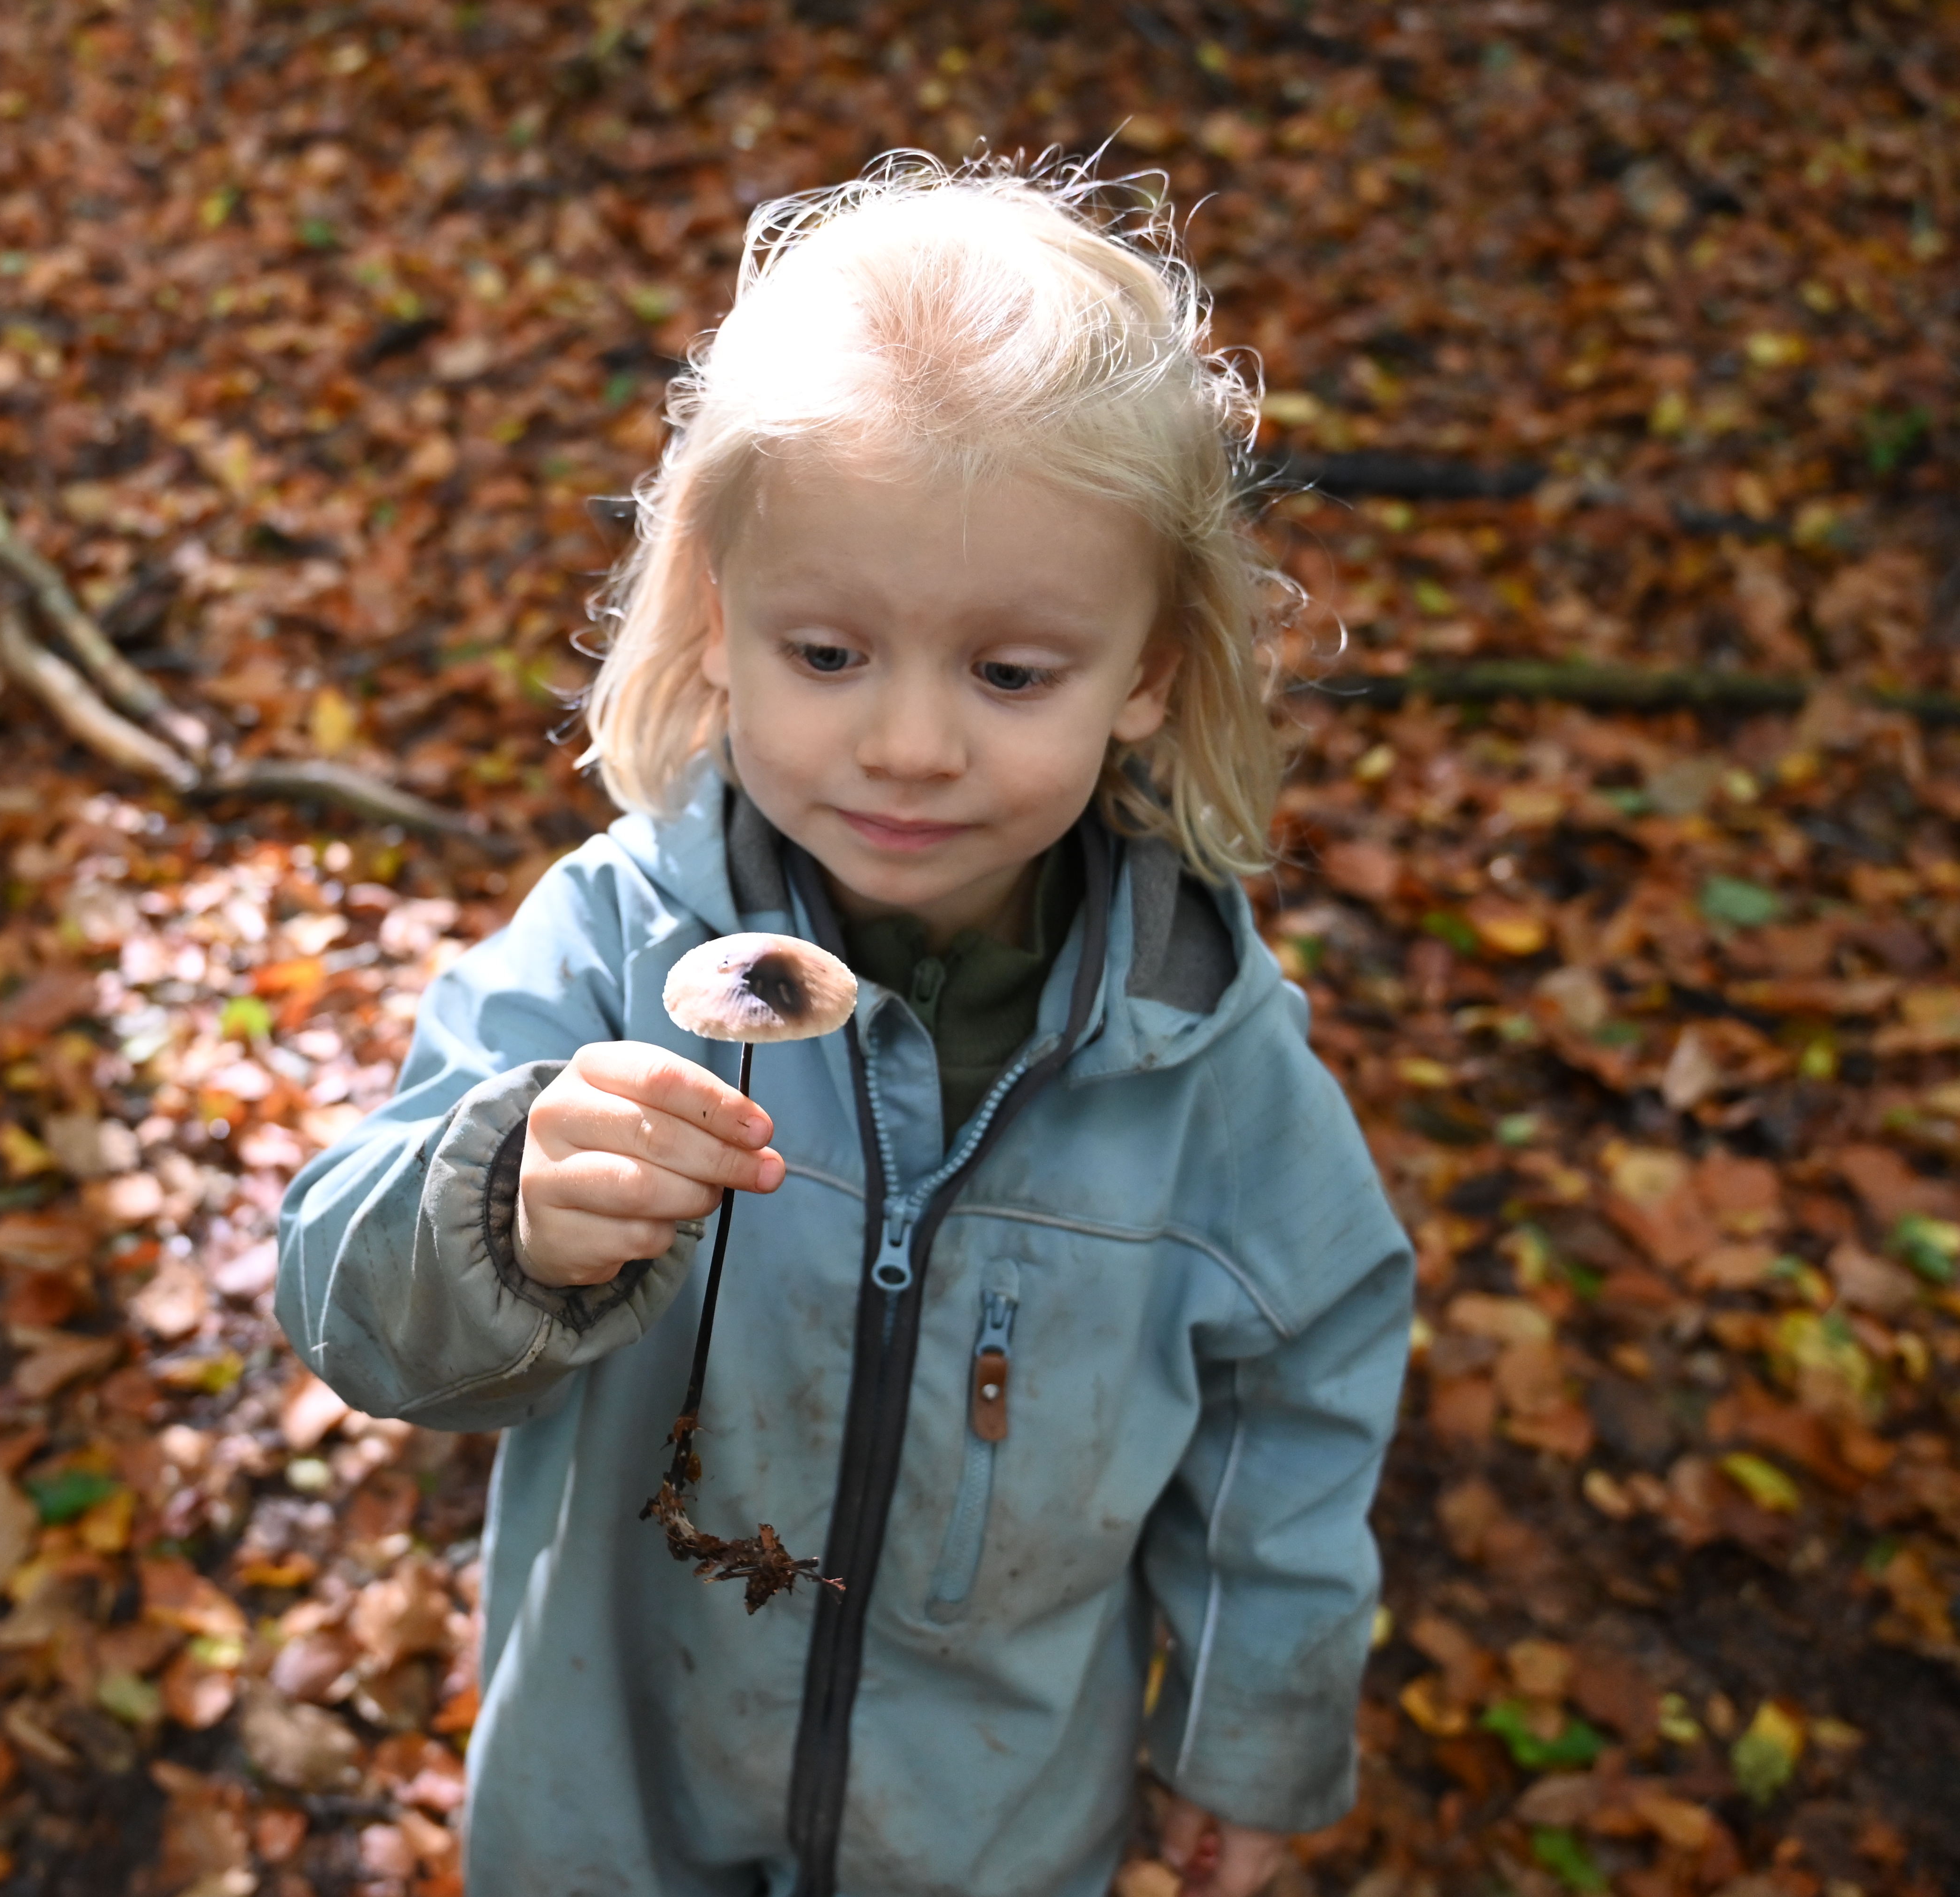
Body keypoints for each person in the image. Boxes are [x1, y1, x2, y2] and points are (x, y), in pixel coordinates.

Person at [275, 154, 1412, 1897]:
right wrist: (502, 1205)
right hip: (617, 1797)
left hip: (988, 1832)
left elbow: (1298, 1412)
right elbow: (349, 1306)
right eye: (827, 653)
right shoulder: (610, 943)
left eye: (1009, 674)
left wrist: (1254, 1737)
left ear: (1154, 672)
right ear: (719, 625)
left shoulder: (1208, 1063)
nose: (906, 746)